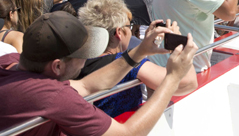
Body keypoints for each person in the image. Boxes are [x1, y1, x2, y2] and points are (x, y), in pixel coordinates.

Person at [0, 11, 198, 136]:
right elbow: (126, 134)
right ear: (57, 67)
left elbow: (86, 85)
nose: (89, 59)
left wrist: (140, 51)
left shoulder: (10, 62)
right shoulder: (51, 96)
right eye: (84, 55)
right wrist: (172, 78)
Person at [77, 0, 197, 117]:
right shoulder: (127, 63)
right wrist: (178, 44)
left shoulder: (77, 61)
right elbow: (188, 84)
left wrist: (147, 45)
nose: (131, 31)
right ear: (119, 32)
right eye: (129, 26)